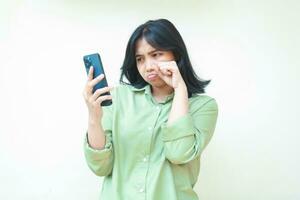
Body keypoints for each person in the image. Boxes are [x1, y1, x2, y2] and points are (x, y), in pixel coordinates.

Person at [82, 19, 218, 200]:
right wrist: (94, 117)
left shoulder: (203, 107)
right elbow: (100, 167)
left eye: (156, 54)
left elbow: (178, 153)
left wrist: (180, 89)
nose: (148, 66)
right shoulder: (118, 98)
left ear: (176, 54)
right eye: (140, 59)